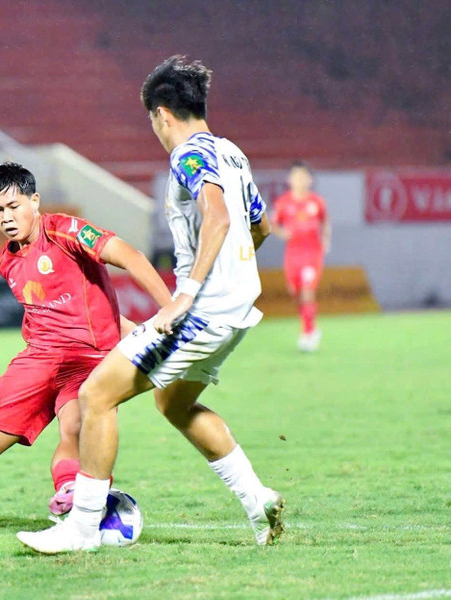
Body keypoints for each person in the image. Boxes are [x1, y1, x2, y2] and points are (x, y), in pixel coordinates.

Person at [18, 55, 284, 553]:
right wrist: (229, 279)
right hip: (236, 313)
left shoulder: (187, 155)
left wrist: (189, 292)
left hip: (201, 311)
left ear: (162, 114)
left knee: (96, 394)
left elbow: (220, 216)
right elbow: (261, 227)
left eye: (152, 122)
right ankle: (257, 500)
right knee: (174, 403)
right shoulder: (232, 153)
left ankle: (82, 529)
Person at [0, 161, 173, 537]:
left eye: (14, 206)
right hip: (38, 361)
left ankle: (72, 490)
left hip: (88, 363)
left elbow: (131, 257)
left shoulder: (66, 231)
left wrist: (167, 309)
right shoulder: (6, 261)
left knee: (74, 428)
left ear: (35, 200)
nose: (7, 217)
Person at [271, 161, 330, 352]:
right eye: (296, 176)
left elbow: (325, 221)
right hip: (292, 254)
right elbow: (272, 224)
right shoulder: (283, 203)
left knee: (307, 292)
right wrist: (281, 233)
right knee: (296, 293)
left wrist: (326, 240)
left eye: (304, 176)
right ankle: (309, 326)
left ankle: (308, 333)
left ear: (310, 179)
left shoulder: (316, 202)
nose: (300, 180)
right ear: (290, 179)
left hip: (312, 253)